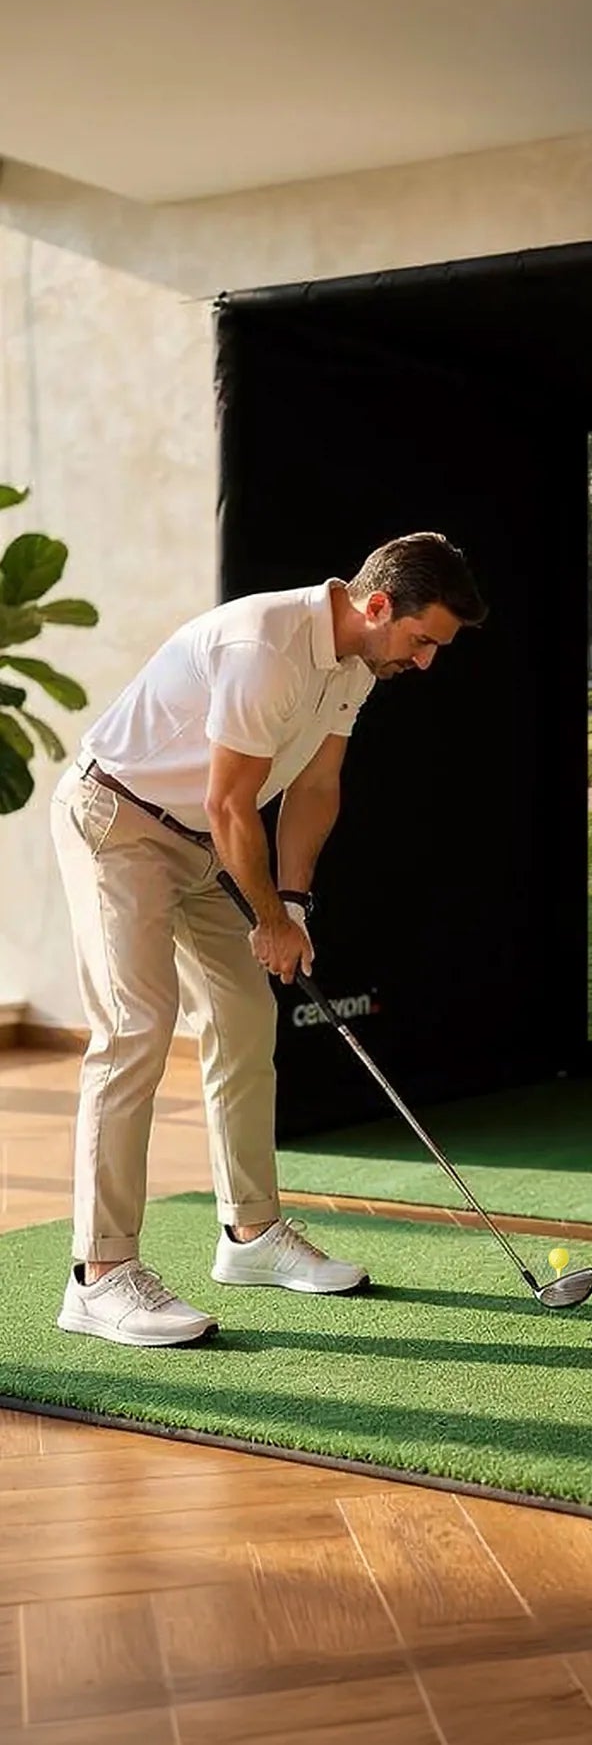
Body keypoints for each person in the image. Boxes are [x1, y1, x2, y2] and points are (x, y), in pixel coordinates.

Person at [48, 531, 487, 1346]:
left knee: (246, 1026)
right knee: (135, 1032)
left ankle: (250, 1236)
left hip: (207, 845)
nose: (425, 663)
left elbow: (317, 788)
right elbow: (229, 802)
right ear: (378, 605)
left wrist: (291, 904)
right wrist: (272, 925)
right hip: (119, 822)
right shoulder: (267, 646)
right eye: (422, 640)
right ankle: (99, 1277)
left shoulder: (356, 664)